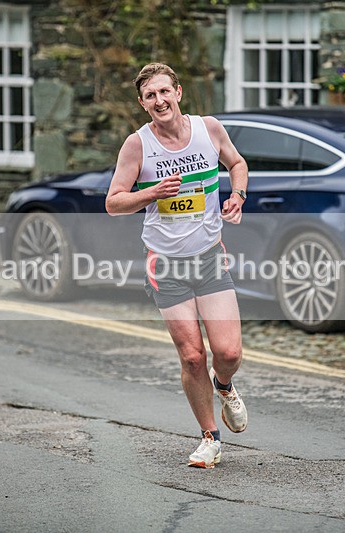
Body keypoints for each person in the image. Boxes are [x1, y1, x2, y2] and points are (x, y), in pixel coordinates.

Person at [105, 63, 249, 469]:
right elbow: (113, 202)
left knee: (228, 351)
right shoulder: (138, 145)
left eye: (165, 92)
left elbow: (237, 164)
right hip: (164, 263)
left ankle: (225, 386)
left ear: (179, 92)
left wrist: (237, 194)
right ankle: (210, 438)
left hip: (208, 257)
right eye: (150, 96)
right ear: (142, 103)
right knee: (191, 356)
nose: (159, 101)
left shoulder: (209, 130)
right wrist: (151, 193)